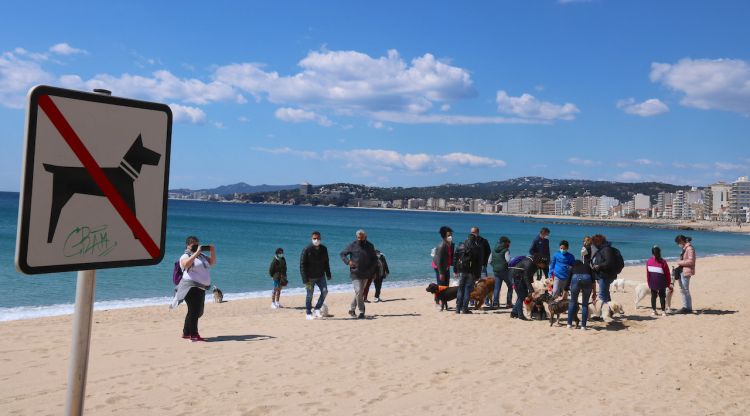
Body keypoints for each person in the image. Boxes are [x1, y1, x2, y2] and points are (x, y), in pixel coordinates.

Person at [173, 236, 216, 342]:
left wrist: (212, 251)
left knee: (197, 311)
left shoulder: (202, 256)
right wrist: (196, 253)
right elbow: (186, 264)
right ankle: (194, 335)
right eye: (194, 245)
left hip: (201, 288)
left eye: (198, 244)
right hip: (190, 287)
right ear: (187, 245)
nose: (197, 246)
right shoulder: (185, 255)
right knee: (194, 311)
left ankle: (186, 332)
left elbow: (212, 262)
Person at [340, 229, 378, 319]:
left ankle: (352, 309)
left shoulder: (370, 246)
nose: (359, 239)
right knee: (358, 291)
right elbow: (342, 254)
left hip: (366, 273)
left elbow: (374, 259)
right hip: (355, 272)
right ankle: (362, 311)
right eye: (358, 238)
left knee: (359, 293)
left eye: (361, 238)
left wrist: (372, 269)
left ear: (365, 237)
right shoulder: (352, 245)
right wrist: (348, 262)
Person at [300, 231, 331, 320]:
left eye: (318, 238)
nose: (316, 240)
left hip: (321, 276)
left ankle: (317, 308)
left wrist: (328, 273)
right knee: (309, 295)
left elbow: (326, 262)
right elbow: (302, 265)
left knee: (325, 291)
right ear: (312, 239)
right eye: (314, 238)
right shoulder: (306, 249)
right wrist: (304, 279)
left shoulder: (324, 249)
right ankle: (308, 313)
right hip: (309, 278)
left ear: (321, 239)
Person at [510, 254, 547, 320]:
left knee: (521, 296)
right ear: (540, 263)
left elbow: (530, 275)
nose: (544, 266)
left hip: (522, 277)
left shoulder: (536, 264)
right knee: (521, 297)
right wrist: (531, 290)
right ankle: (520, 315)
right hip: (517, 277)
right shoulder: (529, 264)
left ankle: (514, 313)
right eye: (544, 264)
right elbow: (526, 277)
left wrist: (531, 287)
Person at [590, 234, 618, 322]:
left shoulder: (606, 249)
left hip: (605, 275)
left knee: (602, 296)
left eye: (594, 243)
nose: (593, 245)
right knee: (606, 294)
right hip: (604, 275)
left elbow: (609, 262)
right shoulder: (603, 248)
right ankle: (609, 311)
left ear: (598, 242)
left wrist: (599, 266)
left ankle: (600, 314)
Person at [454, 233, 482, 314]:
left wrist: (455, 270)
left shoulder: (460, 247)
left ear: (467, 239)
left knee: (460, 289)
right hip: (471, 272)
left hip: (461, 271)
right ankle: (465, 308)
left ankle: (457, 308)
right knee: (467, 290)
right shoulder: (477, 248)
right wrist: (478, 275)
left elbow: (455, 259)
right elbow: (479, 263)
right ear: (475, 240)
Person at [567, 260, 595, 330]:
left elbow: (568, 281)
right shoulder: (587, 266)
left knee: (572, 302)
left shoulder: (573, 268)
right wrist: (594, 292)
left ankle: (569, 324)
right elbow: (593, 281)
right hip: (587, 279)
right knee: (585, 304)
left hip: (575, 278)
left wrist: (564, 292)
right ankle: (583, 326)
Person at [646, 246, 671, 316]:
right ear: (660, 252)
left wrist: (649, 282)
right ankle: (663, 311)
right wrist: (668, 283)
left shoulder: (648, 261)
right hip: (661, 282)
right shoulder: (663, 262)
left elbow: (648, 274)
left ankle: (654, 311)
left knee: (653, 296)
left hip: (652, 281)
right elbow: (667, 274)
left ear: (652, 253)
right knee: (662, 296)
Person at [674, 235, 696, 314]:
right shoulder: (684, 248)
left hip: (686, 271)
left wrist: (679, 262)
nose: (678, 245)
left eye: (678, 243)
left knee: (685, 290)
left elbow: (691, 261)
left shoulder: (690, 249)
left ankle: (688, 308)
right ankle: (685, 306)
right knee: (682, 289)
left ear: (681, 241)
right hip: (681, 271)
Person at [432, 226, 454, 304]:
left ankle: (444, 301)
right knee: (440, 285)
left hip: (445, 266)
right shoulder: (442, 246)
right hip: (439, 267)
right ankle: (437, 301)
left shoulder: (450, 244)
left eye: (451, 235)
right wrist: (441, 273)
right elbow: (439, 261)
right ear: (444, 236)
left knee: (446, 284)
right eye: (449, 235)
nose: (451, 237)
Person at [490, 236, 512, 308]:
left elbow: (489, 261)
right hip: (505, 271)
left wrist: (494, 266)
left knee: (497, 287)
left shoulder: (493, 250)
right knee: (510, 286)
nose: (509, 245)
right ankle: (508, 303)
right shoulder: (506, 250)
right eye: (508, 243)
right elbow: (509, 261)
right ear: (505, 243)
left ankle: (495, 303)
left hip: (496, 271)